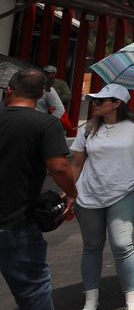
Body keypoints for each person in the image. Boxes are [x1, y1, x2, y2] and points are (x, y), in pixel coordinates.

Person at [71, 83, 134, 310]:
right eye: (94, 100)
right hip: (88, 194)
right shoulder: (87, 128)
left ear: (117, 104)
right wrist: (68, 192)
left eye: (100, 101)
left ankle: (131, 298)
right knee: (92, 246)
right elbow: (77, 163)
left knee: (123, 245)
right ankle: (91, 297)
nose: (94, 104)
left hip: (122, 192)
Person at [0, 69, 77, 310]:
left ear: (9, 89)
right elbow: (59, 166)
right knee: (33, 291)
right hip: (17, 221)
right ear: (42, 94)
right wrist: (72, 193)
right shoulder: (45, 124)